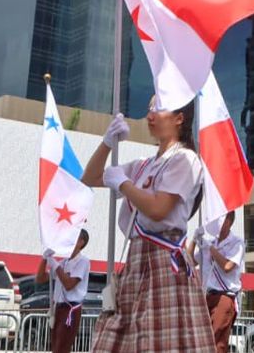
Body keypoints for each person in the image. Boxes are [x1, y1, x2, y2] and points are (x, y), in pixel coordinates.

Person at [82, 101, 215, 352]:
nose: (150, 114)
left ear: (179, 118)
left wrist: (123, 184)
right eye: (150, 108)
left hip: (163, 260)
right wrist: (107, 143)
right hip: (137, 258)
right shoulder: (143, 164)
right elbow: (90, 176)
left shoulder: (186, 159)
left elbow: (158, 208)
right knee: (118, 338)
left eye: (160, 108)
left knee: (160, 343)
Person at [190, 210, 244, 353]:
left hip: (224, 297)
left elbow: (227, 266)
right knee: (201, 341)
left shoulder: (236, 243)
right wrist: (194, 241)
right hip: (206, 296)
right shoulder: (209, 243)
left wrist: (211, 249)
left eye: (221, 218)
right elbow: (188, 261)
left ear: (229, 221)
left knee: (216, 342)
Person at [37, 228, 91, 353]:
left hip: (70, 310)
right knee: (55, 347)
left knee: (62, 347)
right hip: (58, 309)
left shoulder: (83, 261)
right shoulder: (64, 262)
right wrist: (45, 259)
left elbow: (69, 284)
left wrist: (55, 266)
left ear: (81, 242)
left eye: (74, 238)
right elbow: (40, 278)